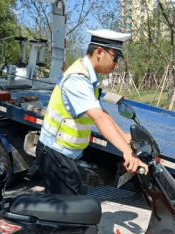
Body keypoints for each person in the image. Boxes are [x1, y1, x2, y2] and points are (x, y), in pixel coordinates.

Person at [36, 29, 148, 195]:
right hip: (56, 154)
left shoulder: (88, 76)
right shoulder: (78, 79)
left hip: (66, 154)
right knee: (67, 213)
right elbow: (99, 118)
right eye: (115, 57)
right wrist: (126, 152)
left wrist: (124, 136)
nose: (116, 63)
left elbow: (101, 112)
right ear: (100, 51)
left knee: (72, 206)